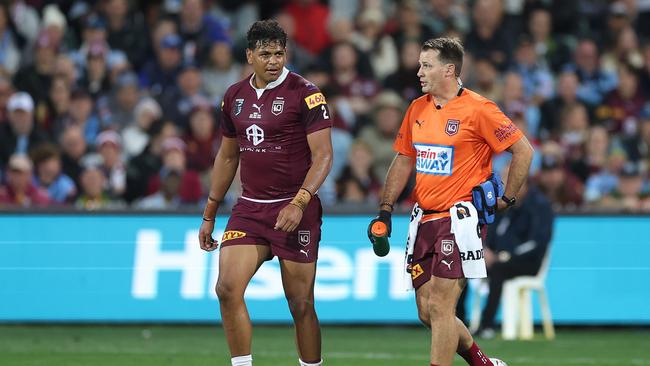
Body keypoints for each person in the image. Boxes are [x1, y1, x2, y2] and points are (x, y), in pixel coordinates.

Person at [368, 38, 533, 366]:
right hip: (423, 219)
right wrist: (385, 209)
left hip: (459, 218)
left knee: (443, 305)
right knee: (427, 310)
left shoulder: (479, 109)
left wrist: (508, 198)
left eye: (426, 65)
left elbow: (523, 150)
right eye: (420, 64)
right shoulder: (417, 108)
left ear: (449, 69)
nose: (419, 72)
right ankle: (482, 362)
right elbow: (403, 160)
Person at [197, 20, 332, 366]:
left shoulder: (306, 93)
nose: (273, 60)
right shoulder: (234, 97)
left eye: (279, 53)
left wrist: (300, 202)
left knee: (301, 304)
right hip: (250, 209)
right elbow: (228, 156)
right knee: (227, 290)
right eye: (265, 54)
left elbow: (324, 156)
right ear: (249, 56)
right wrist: (210, 213)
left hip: (295, 208)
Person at [471, 173, 555, 338]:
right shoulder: (505, 206)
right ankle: (456, 319)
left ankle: (486, 325)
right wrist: (485, 248)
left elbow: (537, 242)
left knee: (498, 270)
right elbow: (490, 232)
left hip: (528, 262)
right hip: (498, 259)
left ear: (524, 185)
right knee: (466, 264)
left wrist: (506, 256)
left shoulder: (539, 206)